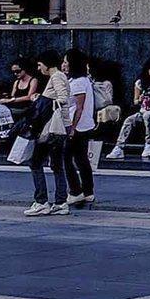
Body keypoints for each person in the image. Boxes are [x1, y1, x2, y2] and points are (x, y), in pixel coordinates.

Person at [25, 53, 73, 217]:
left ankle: (41, 201)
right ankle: (60, 202)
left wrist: (42, 99)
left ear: (47, 64)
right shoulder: (59, 76)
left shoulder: (56, 77)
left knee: (36, 162)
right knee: (57, 165)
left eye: (40, 65)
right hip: (61, 127)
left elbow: (62, 98)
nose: (39, 69)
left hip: (52, 128)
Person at [62, 49, 97, 207]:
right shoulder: (82, 80)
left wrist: (72, 127)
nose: (64, 65)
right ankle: (88, 191)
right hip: (84, 125)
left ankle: (76, 191)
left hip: (78, 126)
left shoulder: (78, 82)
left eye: (66, 62)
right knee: (81, 159)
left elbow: (79, 107)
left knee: (66, 158)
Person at [114, 60, 150, 155]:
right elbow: (135, 101)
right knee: (129, 120)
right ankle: (119, 147)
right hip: (143, 111)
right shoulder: (140, 83)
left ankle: (149, 143)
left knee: (147, 115)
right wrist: (140, 99)